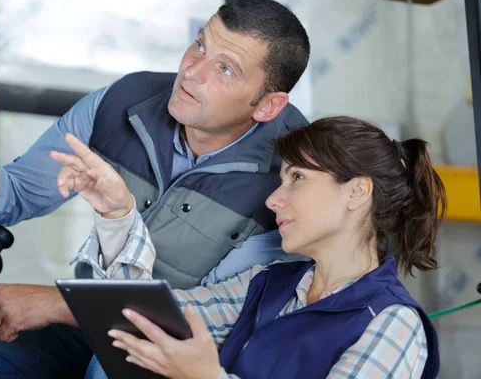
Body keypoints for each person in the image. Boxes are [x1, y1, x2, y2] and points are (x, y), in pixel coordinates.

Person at [0, 0, 311, 379]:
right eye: (199, 46)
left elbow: (207, 318)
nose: (192, 72)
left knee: (109, 367)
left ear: (267, 106)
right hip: (86, 328)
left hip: (189, 357)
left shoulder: (296, 176)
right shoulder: (124, 102)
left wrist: (58, 303)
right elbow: (5, 200)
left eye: (225, 69)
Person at [53, 116, 444, 378]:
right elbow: (142, 321)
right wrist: (118, 214)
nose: (274, 199)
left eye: (297, 178)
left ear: (357, 192)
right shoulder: (266, 284)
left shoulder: (393, 323)